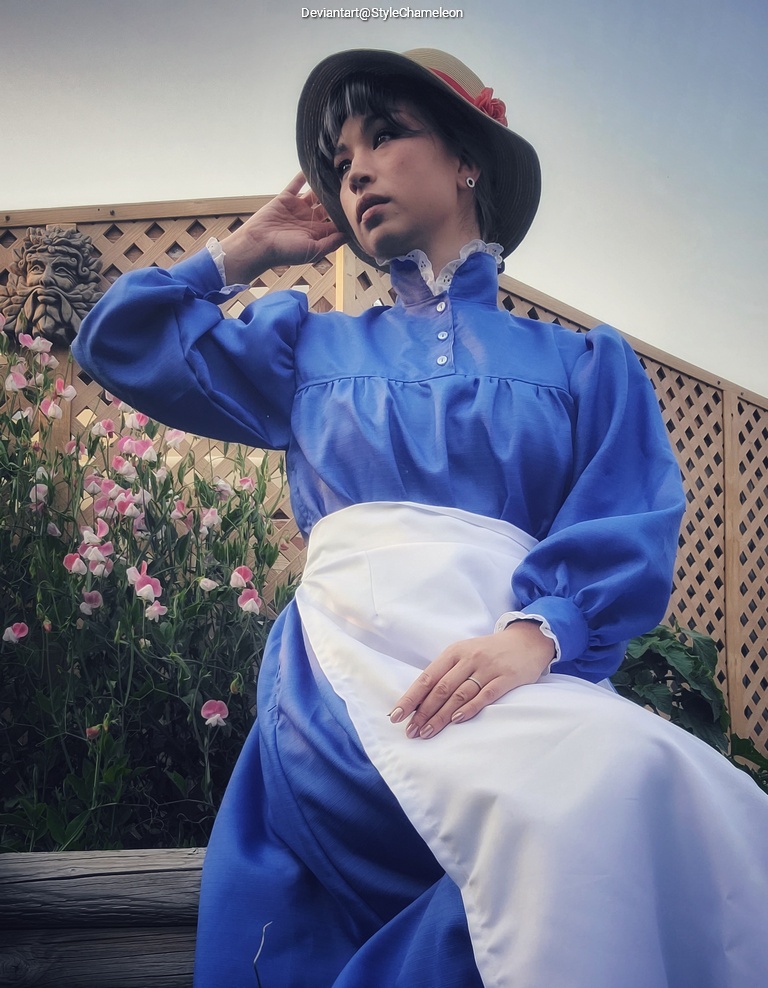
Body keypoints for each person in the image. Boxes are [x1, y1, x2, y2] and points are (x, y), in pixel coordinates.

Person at [73, 48, 768, 988]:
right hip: (344, 679)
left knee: (674, 785)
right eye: (339, 158)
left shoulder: (581, 364)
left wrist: (536, 636)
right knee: (587, 810)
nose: (354, 170)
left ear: (468, 158)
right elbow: (117, 341)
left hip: (506, 674)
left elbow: (626, 518)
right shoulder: (306, 346)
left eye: (385, 135)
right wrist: (247, 249)